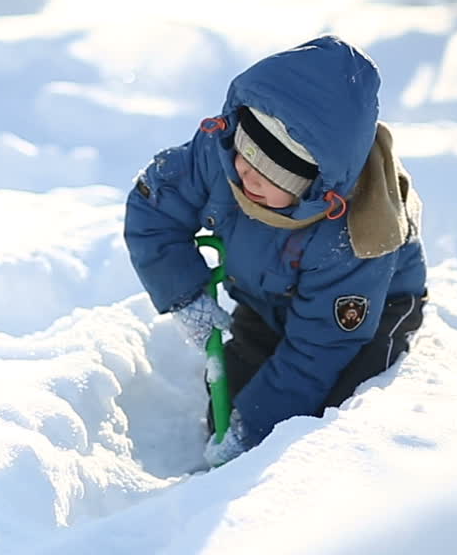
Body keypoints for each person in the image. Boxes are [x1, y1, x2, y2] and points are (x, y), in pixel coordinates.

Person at [124, 35, 427, 467]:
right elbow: (154, 206)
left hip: (366, 317)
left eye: (272, 173)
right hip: (268, 298)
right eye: (246, 153)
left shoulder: (352, 238)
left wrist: (255, 428)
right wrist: (185, 294)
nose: (247, 174)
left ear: (316, 185)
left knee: (328, 418)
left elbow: (320, 348)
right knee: (225, 412)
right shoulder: (222, 151)